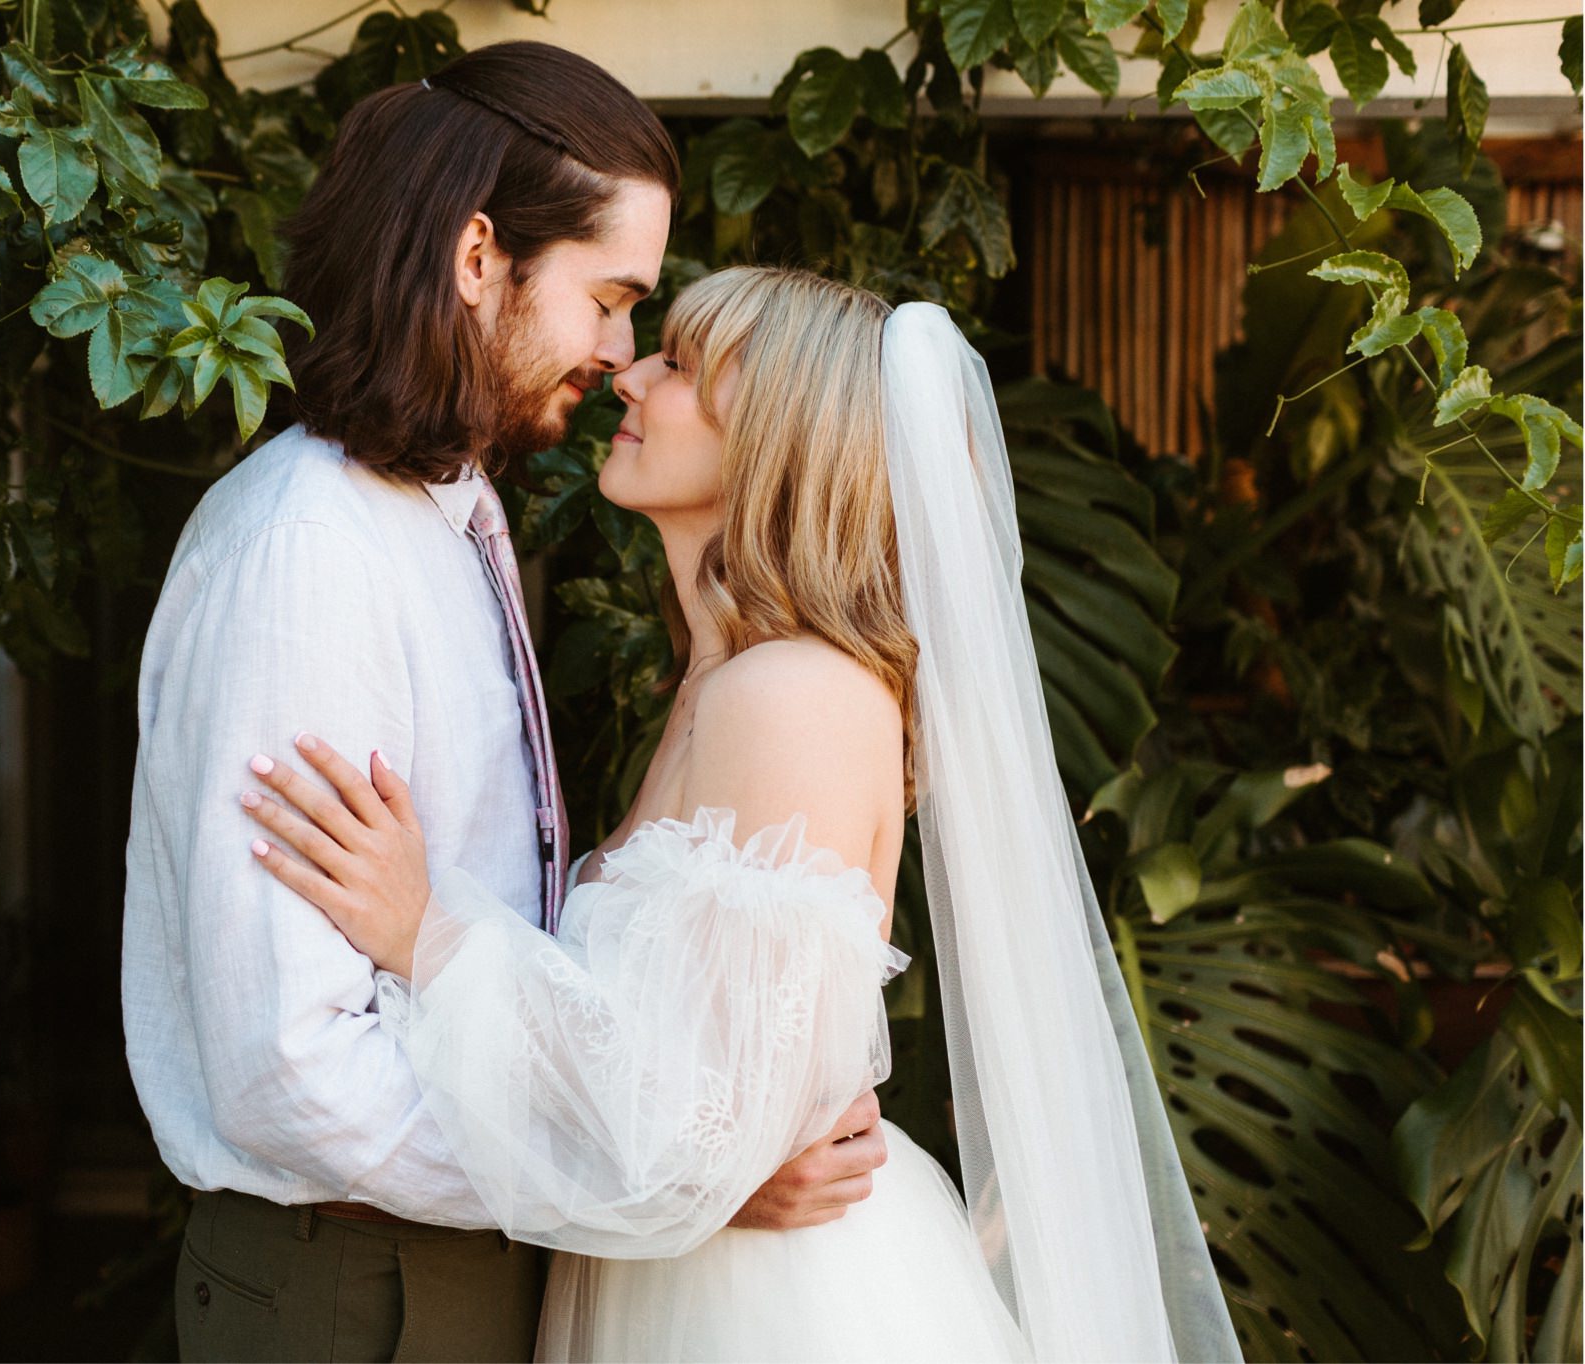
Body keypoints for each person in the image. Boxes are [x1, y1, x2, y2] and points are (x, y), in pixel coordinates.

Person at [242, 268, 1247, 1362]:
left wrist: (426, 932)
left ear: (775, 440)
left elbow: (705, 1124)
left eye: (679, 365)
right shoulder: (724, 680)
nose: (629, 375)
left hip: (768, 1308)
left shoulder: (791, 697)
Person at [121, 50, 890, 1364]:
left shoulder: (459, 509)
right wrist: (657, 1188)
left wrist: (659, 1175)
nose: (620, 355)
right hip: (361, 1284)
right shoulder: (311, 553)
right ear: (479, 258)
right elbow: (291, 1073)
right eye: (610, 300)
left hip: (475, 1262)